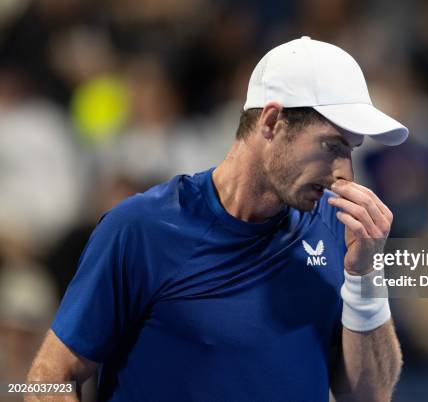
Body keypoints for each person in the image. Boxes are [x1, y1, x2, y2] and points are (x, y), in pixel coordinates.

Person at [27, 36, 408, 402]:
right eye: (332, 146)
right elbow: (47, 380)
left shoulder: (340, 232)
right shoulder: (141, 229)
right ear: (272, 122)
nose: (346, 174)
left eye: (351, 150)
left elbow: (370, 396)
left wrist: (365, 277)